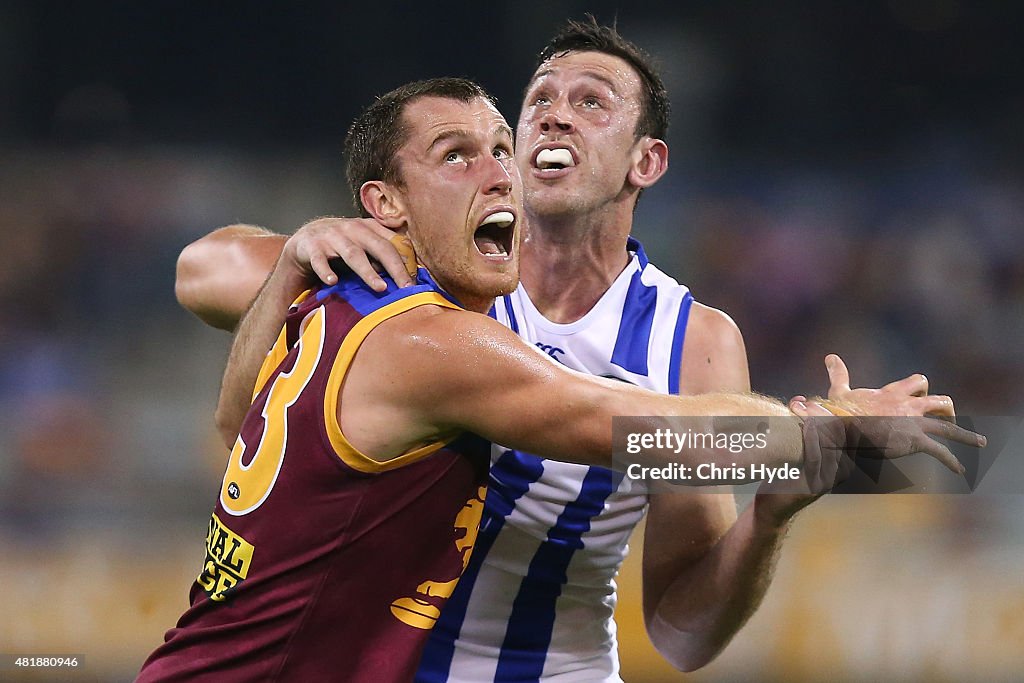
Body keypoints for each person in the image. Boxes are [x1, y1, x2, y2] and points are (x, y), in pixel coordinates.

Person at [173, 20, 977, 682]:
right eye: (539, 102)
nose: (554, 116)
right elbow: (199, 269)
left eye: (590, 102)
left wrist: (773, 509)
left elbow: (683, 635)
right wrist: (295, 248)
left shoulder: (689, 342)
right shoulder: (417, 269)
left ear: (646, 161)